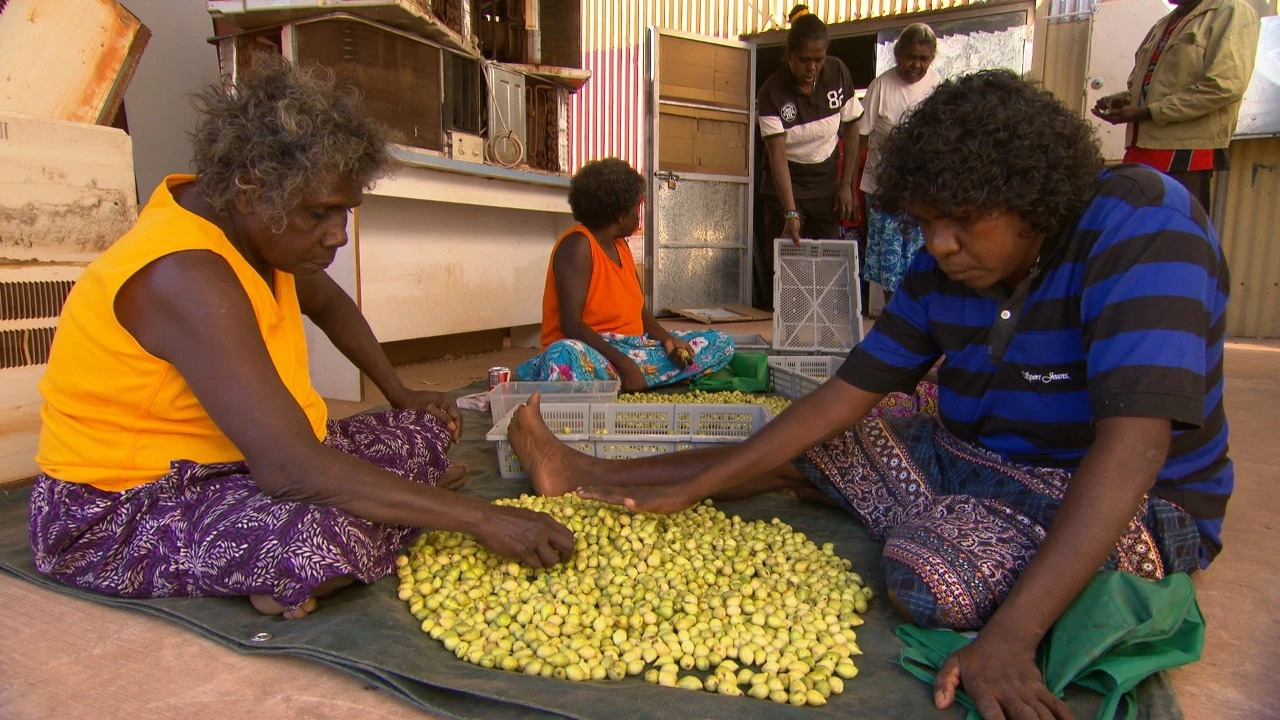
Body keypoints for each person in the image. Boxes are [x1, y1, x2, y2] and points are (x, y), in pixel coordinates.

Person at [510, 70, 1231, 719]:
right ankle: (585, 473)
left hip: (1135, 499)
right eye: (924, 224)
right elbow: (843, 396)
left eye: (960, 223)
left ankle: (923, 508)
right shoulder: (942, 266)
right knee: (832, 439)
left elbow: (1135, 447)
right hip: (974, 456)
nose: (939, 246)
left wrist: (1010, 640)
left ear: (1030, 199)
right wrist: (695, 486)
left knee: (928, 576)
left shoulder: (1142, 223)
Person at [29, 56, 574, 620]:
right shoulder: (186, 274)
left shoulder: (257, 235)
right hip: (122, 507)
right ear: (249, 192)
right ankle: (301, 565)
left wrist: (399, 392)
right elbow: (291, 469)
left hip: (236, 464)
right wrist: (482, 519)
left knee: (424, 429)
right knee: (317, 536)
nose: (336, 236)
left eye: (344, 212)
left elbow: (329, 302)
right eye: (320, 214)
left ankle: (386, 515)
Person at [514, 158, 734, 392]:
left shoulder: (622, 246)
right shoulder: (578, 245)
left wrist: (667, 339)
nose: (638, 215)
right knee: (562, 358)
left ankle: (620, 382)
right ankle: (632, 377)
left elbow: (638, 309)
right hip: (591, 351)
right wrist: (624, 363)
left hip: (634, 349)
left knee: (722, 342)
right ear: (620, 214)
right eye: (636, 207)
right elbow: (571, 324)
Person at [1092, 0, 1259, 215]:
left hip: (1183, 154)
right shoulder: (1165, 23)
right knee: (1135, 235)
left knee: (1172, 237)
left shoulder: (1232, 12)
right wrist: (1126, 100)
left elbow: (1224, 86)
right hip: (1140, 150)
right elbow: (1153, 88)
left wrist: (1148, 112)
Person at [753, 4, 863, 310]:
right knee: (789, 261)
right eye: (804, 60)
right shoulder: (772, 92)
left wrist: (846, 186)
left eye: (818, 59)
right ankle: (788, 327)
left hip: (826, 182)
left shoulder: (838, 72)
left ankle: (822, 328)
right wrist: (790, 213)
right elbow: (776, 155)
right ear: (789, 54)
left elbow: (853, 129)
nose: (812, 67)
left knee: (826, 261)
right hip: (785, 184)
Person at [851, 23, 942, 303]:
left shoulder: (936, 85)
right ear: (898, 54)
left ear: (931, 59)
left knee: (921, 260)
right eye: (910, 56)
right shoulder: (881, 86)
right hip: (884, 190)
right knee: (890, 264)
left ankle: (918, 319)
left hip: (921, 190)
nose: (916, 64)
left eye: (923, 59)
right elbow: (860, 139)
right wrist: (851, 188)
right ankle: (895, 318)